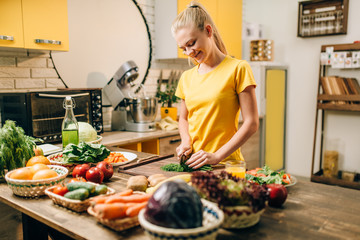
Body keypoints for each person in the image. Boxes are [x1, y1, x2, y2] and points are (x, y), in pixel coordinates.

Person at [172, 2, 259, 169]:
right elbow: (183, 118)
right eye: (183, 48)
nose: (189, 53)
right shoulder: (186, 77)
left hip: (225, 165)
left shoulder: (238, 68)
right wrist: (185, 142)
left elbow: (251, 123)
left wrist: (217, 156)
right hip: (194, 164)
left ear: (208, 31)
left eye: (191, 44)